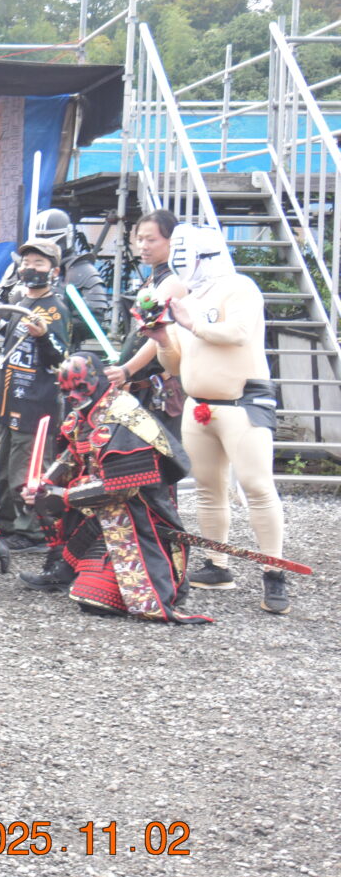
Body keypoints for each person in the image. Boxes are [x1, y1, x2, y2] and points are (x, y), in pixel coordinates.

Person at [141, 223, 290, 614]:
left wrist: (191, 323)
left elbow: (237, 333)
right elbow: (175, 363)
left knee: (257, 486)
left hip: (243, 402)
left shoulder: (240, 288)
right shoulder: (189, 298)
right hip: (200, 405)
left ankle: (274, 572)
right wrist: (162, 338)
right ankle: (216, 564)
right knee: (209, 487)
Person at [18, 353, 207, 622]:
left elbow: (121, 488)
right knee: (48, 497)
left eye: (80, 388)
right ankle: (63, 567)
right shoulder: (86, 412)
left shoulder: (124, 417)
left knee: (96, 600)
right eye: (67, 391)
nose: (73, 397)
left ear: (98, 382)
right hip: (103, 506)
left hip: (138, 516)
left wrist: (65, 496)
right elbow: (73, 454)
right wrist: (46, 484)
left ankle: (163, 582)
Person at [0, 239, 70, 549]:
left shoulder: (56, 309)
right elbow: (14, 335)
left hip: (35, 404)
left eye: (39, 263)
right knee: (3, 467)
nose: (31, 268)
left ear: (54, 271)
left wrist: (43, 336)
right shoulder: (21, 299)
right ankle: (6, 519)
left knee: (28, 469)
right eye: (27, 262)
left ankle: (33, 530)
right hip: (9, 398)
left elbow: (60, 358)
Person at [104, 210, 184, 441]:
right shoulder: (154, 279)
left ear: (172, 241)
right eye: (139, 239)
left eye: (151, 240)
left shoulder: (174, 281)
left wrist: (126, 369)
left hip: (157, 388)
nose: (143, 246)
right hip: (140, 386)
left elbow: (158, 336)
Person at [32, 207, 111, 343]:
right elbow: (1, 309)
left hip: (63, 346)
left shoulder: (80, 271)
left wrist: (53, 326)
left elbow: (96, 321)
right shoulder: (21, 268)